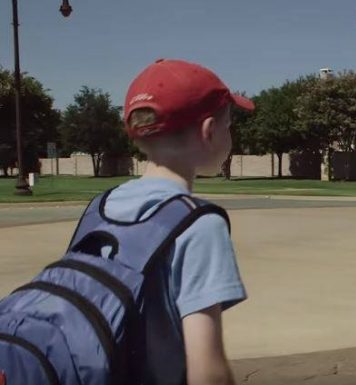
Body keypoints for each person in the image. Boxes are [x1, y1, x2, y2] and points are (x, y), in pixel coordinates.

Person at [117, 59, 253, 384]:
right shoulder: (198, 223)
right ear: (209, 132)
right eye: (229, 124)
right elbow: (207, 371)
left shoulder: (104, 204)